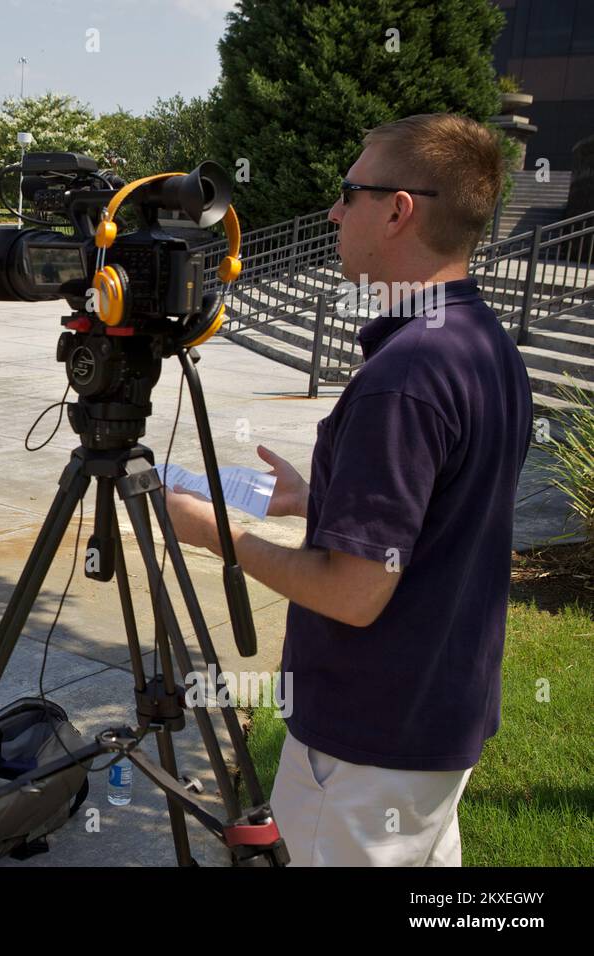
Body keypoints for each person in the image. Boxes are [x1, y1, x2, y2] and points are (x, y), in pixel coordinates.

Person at [164, 114, 532, 865]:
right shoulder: (481, 342)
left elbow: (354, 595)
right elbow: (441, 514)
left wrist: (213, 532)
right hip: (434, 715)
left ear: (399, 209)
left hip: (371, 743)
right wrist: (323, 498)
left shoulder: (403, 379)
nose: (333, 212)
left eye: (348, 193)